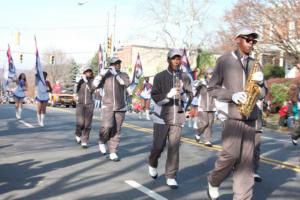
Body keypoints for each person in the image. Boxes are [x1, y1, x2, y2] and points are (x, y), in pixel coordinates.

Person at [206, 27, 265, 200]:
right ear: (238, 39)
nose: (251, 43)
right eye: (248, 39)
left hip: (251, 118)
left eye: (254, 41)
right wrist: (232, 95)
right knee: (230, 156)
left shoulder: (256, 64)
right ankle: (213, 180)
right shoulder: (224, 60)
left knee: (246, 165)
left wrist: (260, 85)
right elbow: (212, 88)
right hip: (233, 118)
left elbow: (263, 92)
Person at [148, 49, 193, 189]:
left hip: (177, 117)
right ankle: (152, 162)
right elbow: (154, 96)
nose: (176, 61)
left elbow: (191, 94)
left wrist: (185, 97)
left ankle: (171, 176)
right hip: (162, 117)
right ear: (168, 60)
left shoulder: (185, 77)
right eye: (174, 58)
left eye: (178, 58)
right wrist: (168, 95)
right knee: (158, 146)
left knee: (174, 148)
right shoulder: (159, 76)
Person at [93, 57, 130, 161]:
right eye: (115, 63)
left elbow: (125, 83)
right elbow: (94, 86)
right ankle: (101, 140)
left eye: (119, 63)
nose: (117, 65)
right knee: (106, 126)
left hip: (120, 106)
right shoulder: (106, 75)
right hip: (107, 106)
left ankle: (113, 152)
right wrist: (101, 75)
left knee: (116, 130)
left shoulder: (123, 75)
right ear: (111, 65)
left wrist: (116, 74)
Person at [194, 68, 216, 147]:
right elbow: (194, 91)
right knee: (204, 123)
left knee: (210, 124)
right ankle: (198, 133)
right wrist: (199, 83)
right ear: (206, 74)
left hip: (212, 106)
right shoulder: (201, 83)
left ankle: (207, 141)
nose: (211, 75)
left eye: (212, 74)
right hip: (202, 106)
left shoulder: (215, 83)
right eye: (210, 74)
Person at [74, 66, 95, 148]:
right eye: (86, 72)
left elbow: (92, 89)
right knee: (80, 122)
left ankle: (84, 141)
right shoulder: (80, 81)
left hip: (90, 104)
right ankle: (78, 134)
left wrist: (87, 81)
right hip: (80, 104)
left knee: (87, 124)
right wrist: (78, 82)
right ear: (84, 73)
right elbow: (76, 90)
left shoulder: (93, 81)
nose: (88, 73)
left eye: (89, 72)